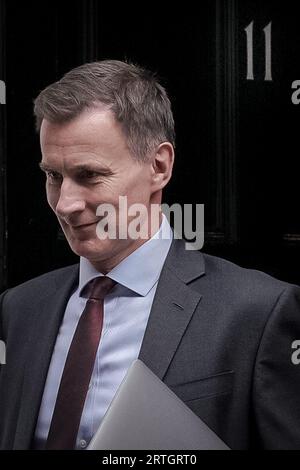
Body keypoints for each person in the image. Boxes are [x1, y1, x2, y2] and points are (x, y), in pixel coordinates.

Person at [0, 60, 300, 450]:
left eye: (89, 175)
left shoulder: (258, 312)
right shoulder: (18, 308)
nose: (65, 204)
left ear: (159, 166)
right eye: (53, 176)